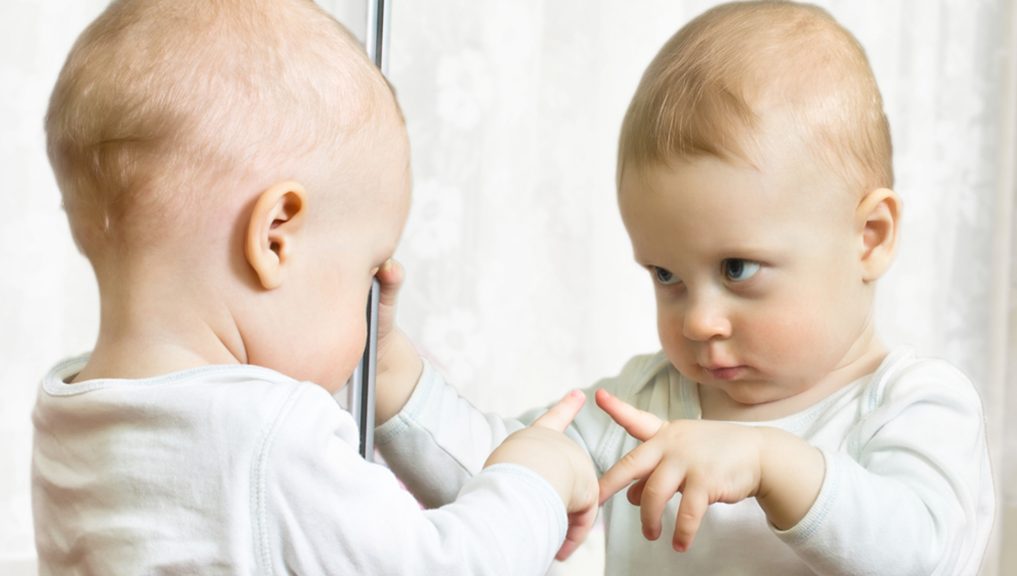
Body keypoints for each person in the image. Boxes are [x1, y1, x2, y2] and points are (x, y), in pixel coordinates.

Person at [372, 1, 995, 574]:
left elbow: (924, 553)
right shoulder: (643, 405)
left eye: (736, 269)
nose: (698, 321)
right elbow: (502, 485)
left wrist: (767, 461)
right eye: (666, 275)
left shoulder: (910, 406)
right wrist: (390, 375)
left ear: (870, 237)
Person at [31, 0, 599, 573]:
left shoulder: (70, 415)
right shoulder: (268, 434)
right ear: (275, 238)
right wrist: (534, 477)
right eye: (365, 276)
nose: (371, 312)